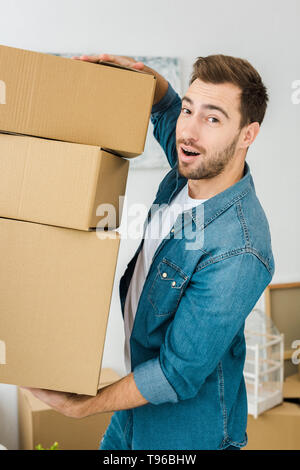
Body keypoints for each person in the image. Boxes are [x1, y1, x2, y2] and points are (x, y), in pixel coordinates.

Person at [24, 53, 274, 450]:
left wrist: (83, 407)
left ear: (248, 134)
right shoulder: (189, 167)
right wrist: (146, 79)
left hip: (186, 436)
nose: (188, 131)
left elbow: (176, 374)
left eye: (213, 118)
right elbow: (166, 110)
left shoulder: (239, 249)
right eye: (190, 110)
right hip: (133, 415)